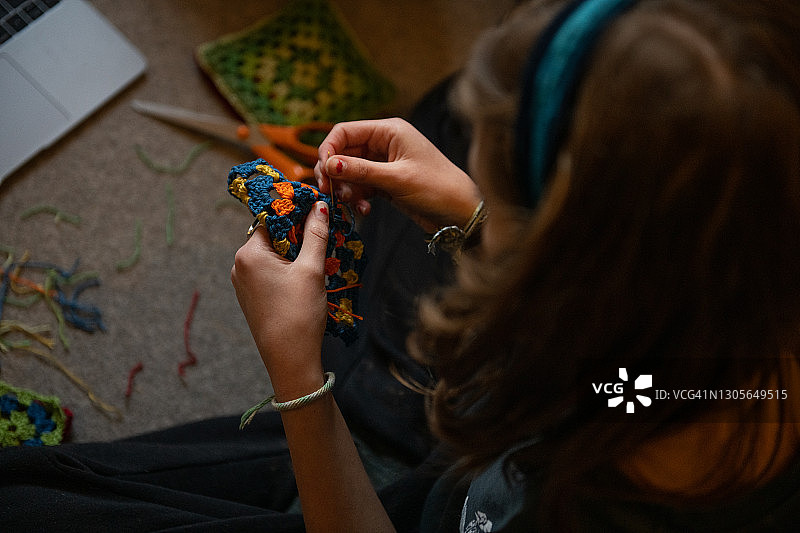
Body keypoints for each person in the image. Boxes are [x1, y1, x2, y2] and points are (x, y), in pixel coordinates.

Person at [3, 0, 800, 531]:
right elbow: (614, 376)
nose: (464, 163)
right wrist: (478, 221)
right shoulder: (719, 357)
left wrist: (298, 375)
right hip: (459, 459)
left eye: (484, 159)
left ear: (559, 258)